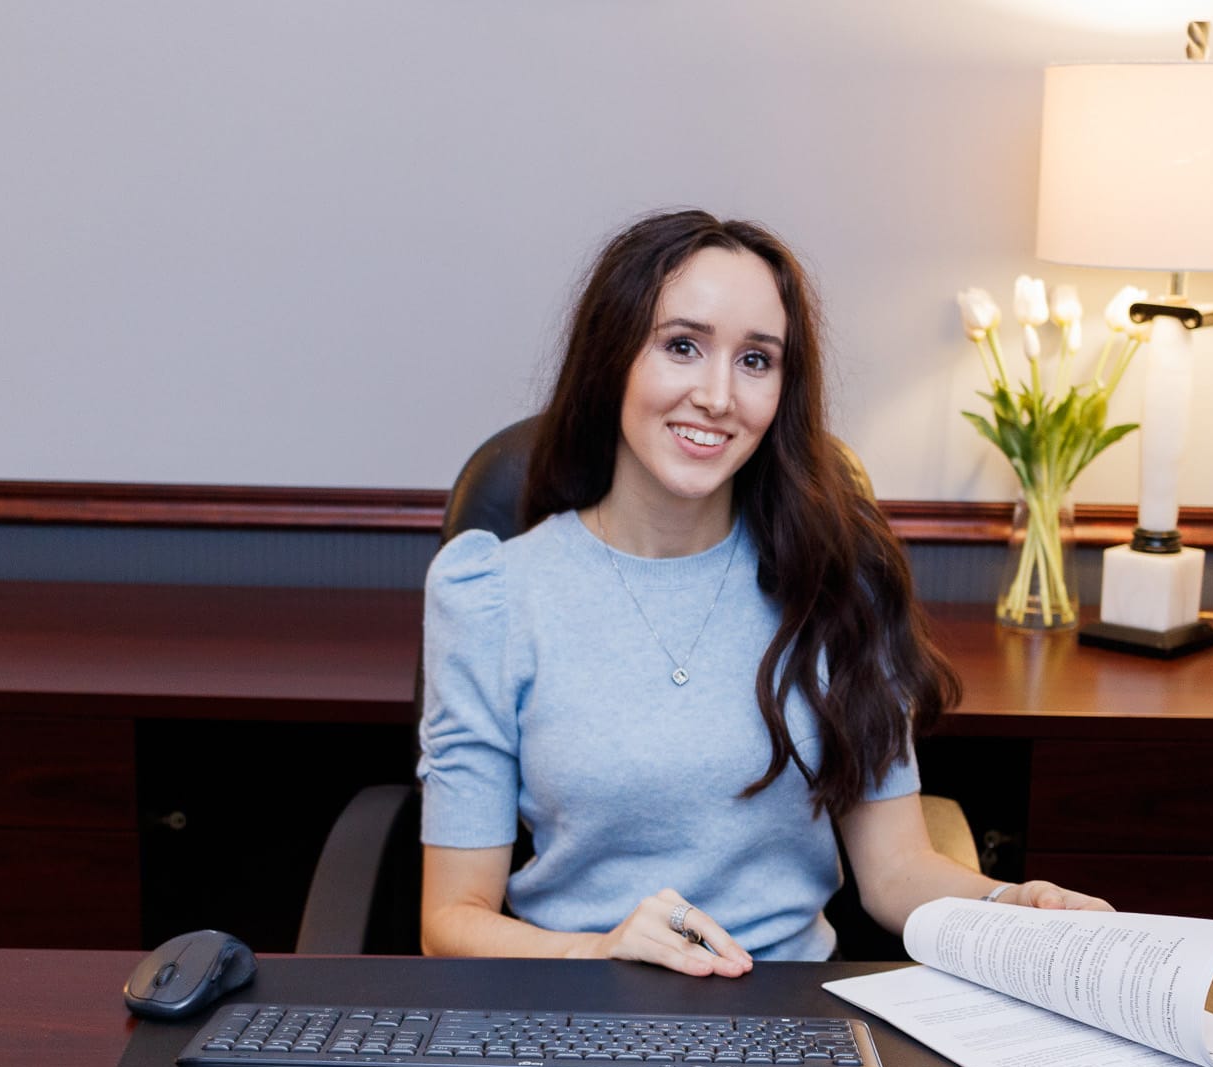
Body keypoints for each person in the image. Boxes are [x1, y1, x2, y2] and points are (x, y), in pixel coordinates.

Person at [418, 209, 1111, 976]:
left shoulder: (837, 577)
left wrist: (1005, 907)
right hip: (576, 1007)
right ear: (611, 357)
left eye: (756, 360)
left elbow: (895, 874)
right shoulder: (493, 596)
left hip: (788, 1005)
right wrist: (602, 948)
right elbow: (452, 919)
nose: (718, 395)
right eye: (682, 346)